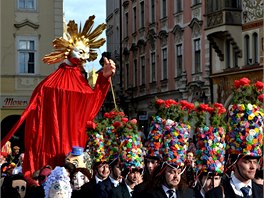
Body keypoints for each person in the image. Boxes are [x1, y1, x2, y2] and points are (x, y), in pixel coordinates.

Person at [1, 15, 116, 177]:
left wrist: (103, 80)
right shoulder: (51, 83)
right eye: (80, 51)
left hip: (74, 147)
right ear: (68, 49)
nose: (84, 56)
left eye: (87, 53)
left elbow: (90, 106)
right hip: (52, 146)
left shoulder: (80, 82)